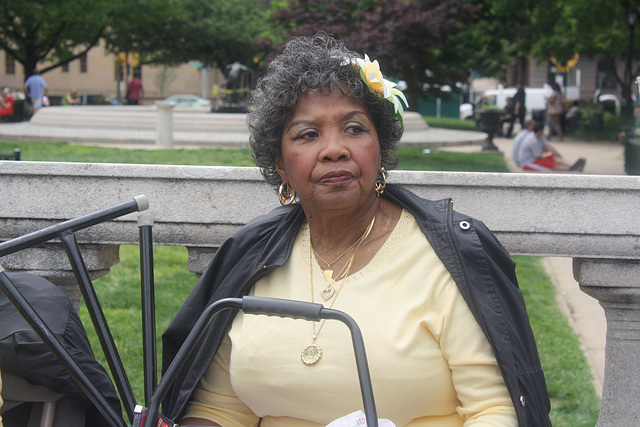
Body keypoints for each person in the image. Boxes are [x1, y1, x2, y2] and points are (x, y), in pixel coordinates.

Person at [162, 34, 551, 427]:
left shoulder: (445, 256)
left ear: (379, 147)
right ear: (281, 165)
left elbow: (494, 409)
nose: (334, 149)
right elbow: (218, 408)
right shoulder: (251, 255)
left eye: (353, 128)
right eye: (307, 135)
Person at [515, 122, 585, 172]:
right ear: (540, 131)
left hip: (536, 158)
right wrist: (551, 160)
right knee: (551, 164)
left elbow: (548, 147)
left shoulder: (539, 136)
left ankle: (571, 165)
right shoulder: (532, 140)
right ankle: (569, 168)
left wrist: (557, 155)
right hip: (528, 163)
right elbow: (539, 156)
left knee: (553, 157)